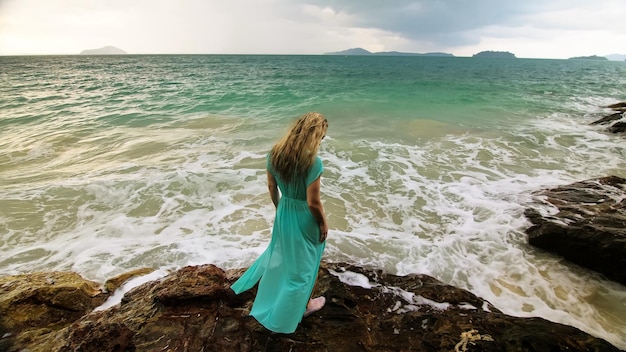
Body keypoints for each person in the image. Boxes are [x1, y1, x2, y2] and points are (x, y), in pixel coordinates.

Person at [230, 112, 329, 334]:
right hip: (305, 216)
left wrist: (280, 207)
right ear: (314, 136)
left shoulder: (274, 154)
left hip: (285, 209)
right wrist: (322, 224)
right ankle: (302, 307)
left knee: (288, 260)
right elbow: (313, 202)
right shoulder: (313, 163)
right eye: (321, 137)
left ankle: (284, 301)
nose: (321, 142)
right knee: (305, 265)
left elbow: (271, 188)